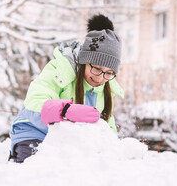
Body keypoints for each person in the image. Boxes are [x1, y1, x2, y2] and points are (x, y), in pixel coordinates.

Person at [8, 14, 124, 163]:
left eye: (109, 73)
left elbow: (108, 125)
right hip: (34, 133)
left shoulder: (105, 87)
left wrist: (112, 145)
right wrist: (66, 111)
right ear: (84, 61)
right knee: (39, 168)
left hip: (67, 142)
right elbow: (34, 102)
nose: (100, 78)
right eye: (96, 68)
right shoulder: (60, 69)